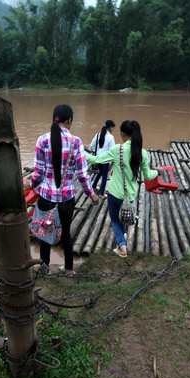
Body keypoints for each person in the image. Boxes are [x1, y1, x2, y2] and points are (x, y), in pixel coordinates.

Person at [24, 104, 99, 276]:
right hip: (66, 199)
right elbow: (82, 174)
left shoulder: (42, 140)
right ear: (69, 121)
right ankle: (69, 268)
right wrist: (92, 195)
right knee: (65, 233)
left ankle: (44, 268)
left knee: (44, 232)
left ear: (53, 119)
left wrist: (32, 185)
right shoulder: (76, 142)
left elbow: (39, 172)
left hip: (46, 197)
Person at [85, 120, 166, 257]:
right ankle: (122, 237)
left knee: (115, 220)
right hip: (131, 195)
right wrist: (158, 171)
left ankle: (122, 246)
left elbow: (95, 160)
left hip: (114, 193)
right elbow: (148, 175)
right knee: (124, 217)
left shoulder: (118, 150)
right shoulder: (142, 153)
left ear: (122, 134)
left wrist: (80, 152)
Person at [89, 120, 116, 199]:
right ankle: (101, 194)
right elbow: (112, 150)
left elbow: (92, 146)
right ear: (110, 128)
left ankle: (93, 186)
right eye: (113, 127)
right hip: (105, 160)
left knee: (100, 172)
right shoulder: (110, 137)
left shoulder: (98, 135)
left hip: (97, 159)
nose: (113, 129)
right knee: (104, 176)